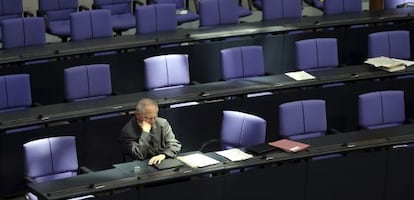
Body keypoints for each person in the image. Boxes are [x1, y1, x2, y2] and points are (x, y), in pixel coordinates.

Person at [119, 98, 181, 165]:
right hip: (141, 164)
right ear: (137, 115)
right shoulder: (128, 131)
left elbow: (174, 144)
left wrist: (163, 155)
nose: (152, 121)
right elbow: (140, 155)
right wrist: (145, 133)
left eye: (154, 117)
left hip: (162, 160)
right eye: (148, 118)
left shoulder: (162, 123)